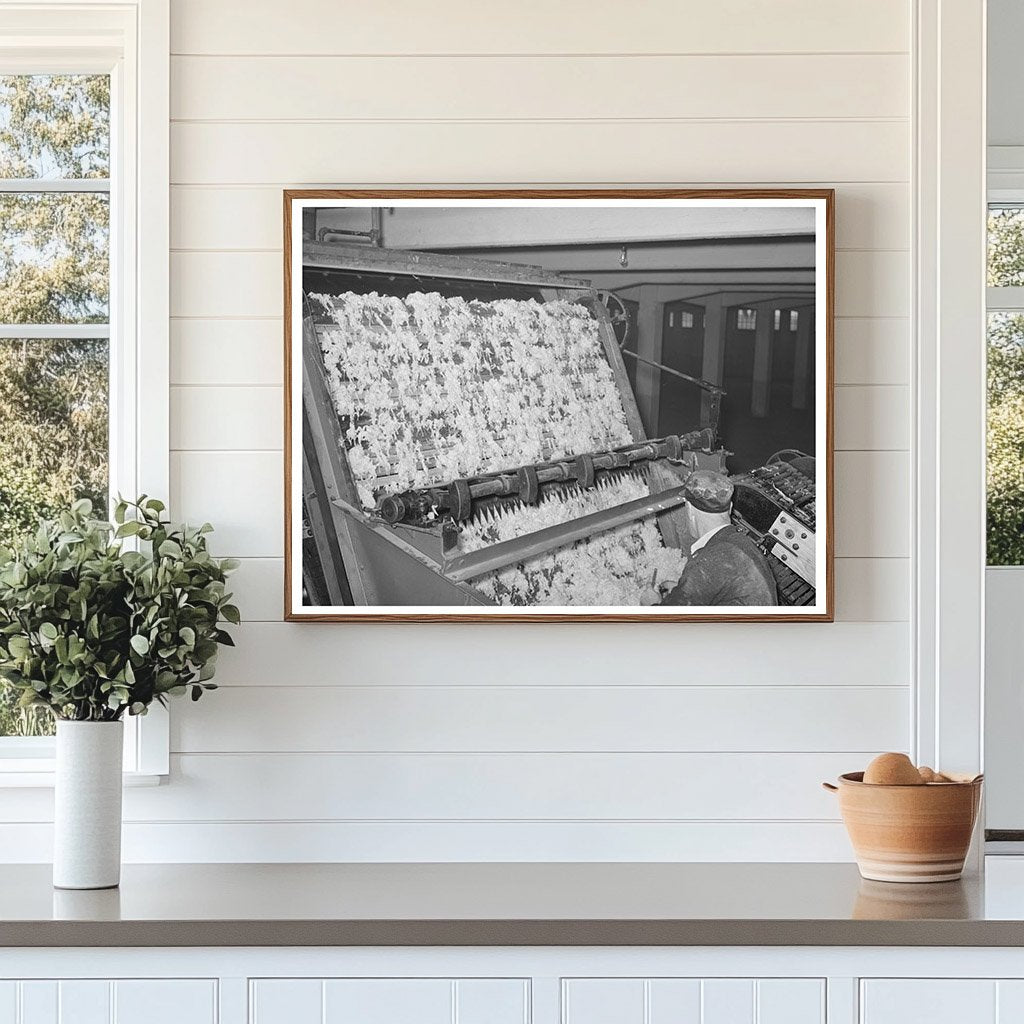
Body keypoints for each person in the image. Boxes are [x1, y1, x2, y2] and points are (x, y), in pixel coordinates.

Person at [662, 470, 778, 607]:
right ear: (730, 508)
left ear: (689, 510)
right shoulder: (742, 542)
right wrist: (684, 591)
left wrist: (650, 602)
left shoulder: (707, 562)